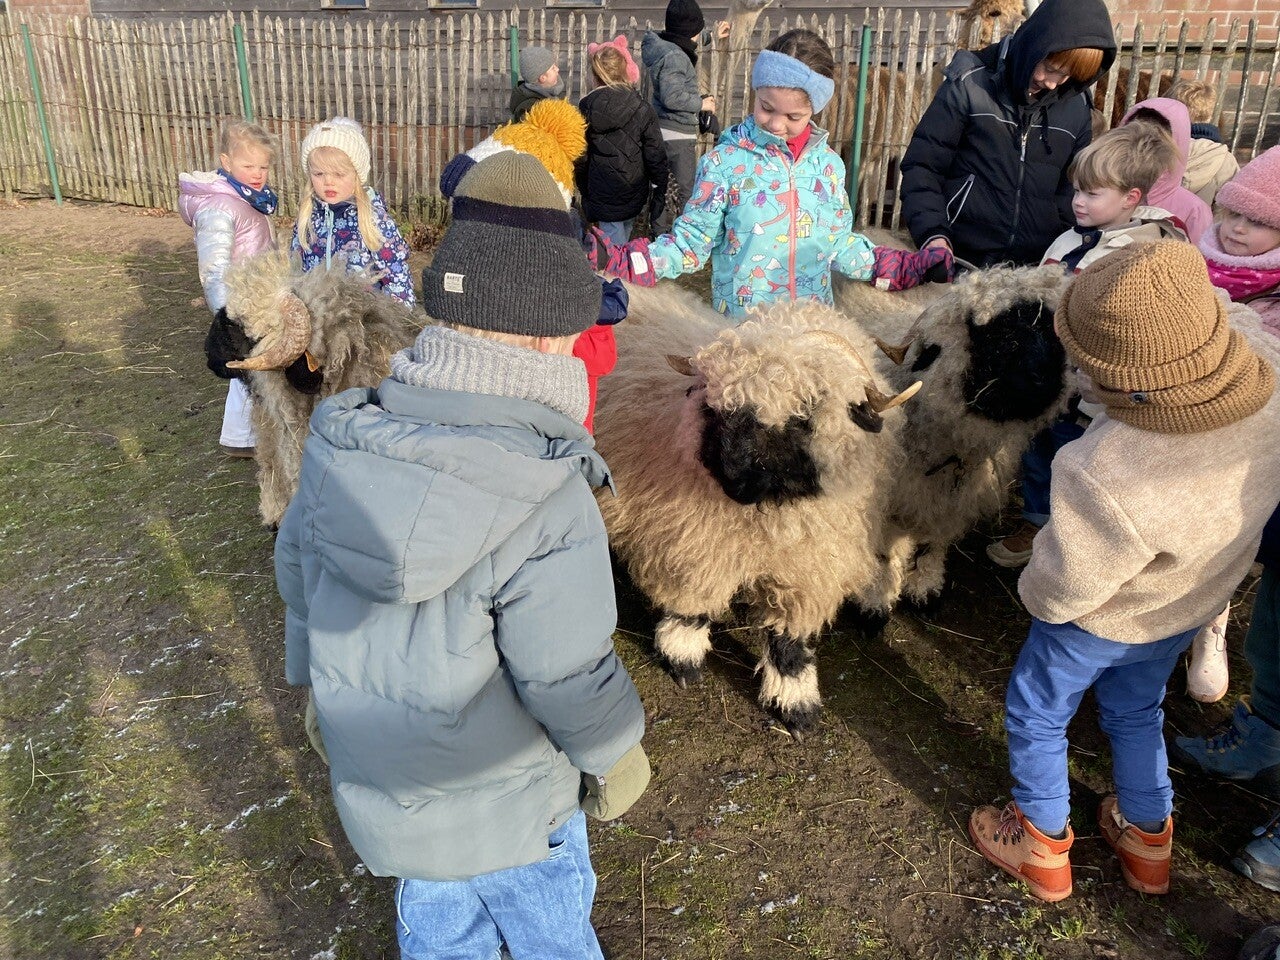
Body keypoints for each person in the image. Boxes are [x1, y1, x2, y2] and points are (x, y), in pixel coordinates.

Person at [274, 151, 650, 960]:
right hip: (517, 809)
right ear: (551, 338)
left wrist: (314, 692)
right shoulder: (547, 492)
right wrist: (615, 752)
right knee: (552, 938)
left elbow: (301, 582)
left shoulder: (341, 443)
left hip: (396, 796)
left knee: (441, 935)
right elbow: (565, 668)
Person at [969, 240, 1280, 903]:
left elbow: (1065, 589)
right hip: (1187, 602)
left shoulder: (1105, 467)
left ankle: (1042, 844)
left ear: (1118, 372)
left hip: (1096, 623)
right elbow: (1234, 318)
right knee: (1138, 711)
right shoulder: (1268, 386)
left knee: (1037, 713)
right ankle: (1146, 840)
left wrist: (1033, 590)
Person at [605, 29, 952, 319]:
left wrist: (903, 268)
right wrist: (629, 261)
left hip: (810, 334)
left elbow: (839, 245)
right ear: (756, 92)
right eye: (766, 107)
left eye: (793, 117)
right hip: (744, 337)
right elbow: (691, 243)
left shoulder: (828, 168)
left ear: (814, 110)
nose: (775, 124)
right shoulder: (724, 163)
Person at [987, 121, 1187, 568]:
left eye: (1092, 193)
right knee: (1040, 452)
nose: (1078, 201)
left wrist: (1101, 380)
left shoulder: (1143, 255)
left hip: (1095, 395)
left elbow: (1139, 332)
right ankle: (1037, 521)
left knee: (1081, 463)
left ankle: (1074, 541)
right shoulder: (1068, 239)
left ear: (1131, 198)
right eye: (1076, 190)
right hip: (1048, 380)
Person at [899, 0, 1116, 268]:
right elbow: (923, 167)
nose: (1052, 83)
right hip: (960, 260)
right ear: (1036, 44)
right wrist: (934, 236)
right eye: (1050, 68)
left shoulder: (1077, 107)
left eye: (1066, 76)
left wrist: (1061, 244)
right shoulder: (970, 84)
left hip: (1037, 269)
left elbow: (1072, 188)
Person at [179, 119, 278, 459]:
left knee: (256, 366)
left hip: (260, 296)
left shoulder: (249, 198)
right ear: (226, 161)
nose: (257, 173)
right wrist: (227, 313)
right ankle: (241, 439)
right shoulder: (219, 207)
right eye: (249, 166)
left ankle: (244, 435)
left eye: (263, 166)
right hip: (240, 303)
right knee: (247, 367)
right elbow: (214, 268)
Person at [292, 117, 415, 307]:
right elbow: (295, 266)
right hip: (317, 312)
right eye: (319, 174)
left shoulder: (373, 219)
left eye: (339, 174)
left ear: (357, 175)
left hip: (362, 315)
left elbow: (396, 273)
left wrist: (399, 316)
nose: (328, 182)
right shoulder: (308, 217)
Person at [578, 35, 669, 247]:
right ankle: (618, 265)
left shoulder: (585, 108)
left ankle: (615, 266)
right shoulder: (642, 108)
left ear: (595, 75)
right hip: (633, 187)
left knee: (612, 244)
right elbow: (655, 152)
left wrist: (584, 189)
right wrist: (660, 185)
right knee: (621, 237)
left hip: (601, 189)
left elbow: (580, 154)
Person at [641, 0, 717, 235]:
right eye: (699, 31)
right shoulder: (675, 57)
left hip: (665, 130)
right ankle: (684, 238)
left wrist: (714, 36)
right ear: (691, 30)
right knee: (685, 191)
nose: (699, 36)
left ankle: (658, 234)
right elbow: (672, 97)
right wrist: (702, 103)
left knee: (662, 186)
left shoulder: (667, 47)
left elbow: (690, 41)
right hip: (677, 134)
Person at [1199, 145, 1280, 337]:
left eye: (1258, 221)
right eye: (1234, 214)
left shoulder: (1274, 298)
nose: (1238, 228)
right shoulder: (1192, 259)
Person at [1117, 98, 1214, 245]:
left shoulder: (1194, 211)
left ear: (1176, 145)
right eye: (1133, 136)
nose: (1143, 148)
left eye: (1156, 141)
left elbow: (1198, 257)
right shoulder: (1108, 191)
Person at [1166, 77, 1240, 207]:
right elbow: (1230, 206)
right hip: (1201, 219)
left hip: (1153, 218)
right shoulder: (1225, 159)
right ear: (1211, 114)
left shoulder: (1153, 150)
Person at [511, 45, 566, 122]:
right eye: (553, 68)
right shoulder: (530, 109)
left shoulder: (553, 92)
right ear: (542, 78)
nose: (557, 69)